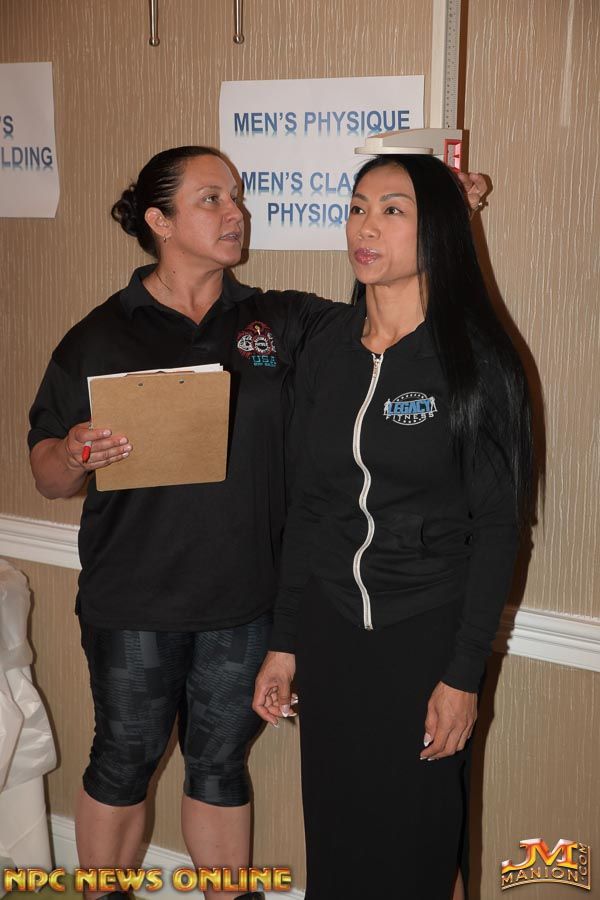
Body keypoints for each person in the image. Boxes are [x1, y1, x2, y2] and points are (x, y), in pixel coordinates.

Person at [28, 144, 486, 900]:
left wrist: (442, 219)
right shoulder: (100, 335)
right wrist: (74, 452)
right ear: (159, 222)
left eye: (236, 197)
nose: (235, 212)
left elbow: (393, 313)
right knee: (123, 761)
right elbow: (47, 472)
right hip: (134, 598)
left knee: (218, 766)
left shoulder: (279, 320)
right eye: (211, 199)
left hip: (245, 600)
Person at [252, 154, 534, 900]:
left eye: (392, 210)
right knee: (339, 837)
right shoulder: (326, 349)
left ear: (437, 229)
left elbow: (498, 529)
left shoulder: (477, 360)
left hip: (425, 635)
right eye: (356, 207)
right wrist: (284, 642)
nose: (365, 227)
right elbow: (309, 507)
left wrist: (462, 676)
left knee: (421, 844)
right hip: (330, 629)